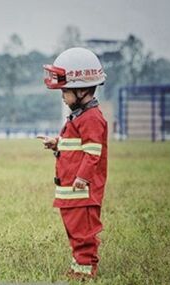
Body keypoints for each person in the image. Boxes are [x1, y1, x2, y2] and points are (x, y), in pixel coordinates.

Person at [38, 47, 108, 280]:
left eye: (65, 91)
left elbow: (92, 153)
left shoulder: (92, 118)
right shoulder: (79, 116)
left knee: (84, 233)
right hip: (70, 191)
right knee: (74, 232)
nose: (62, 96)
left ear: (82, 90)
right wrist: (56, 143)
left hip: (82, 191)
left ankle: (86, 271)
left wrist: (82, 177)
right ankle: (78, 265)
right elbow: (74, 145)